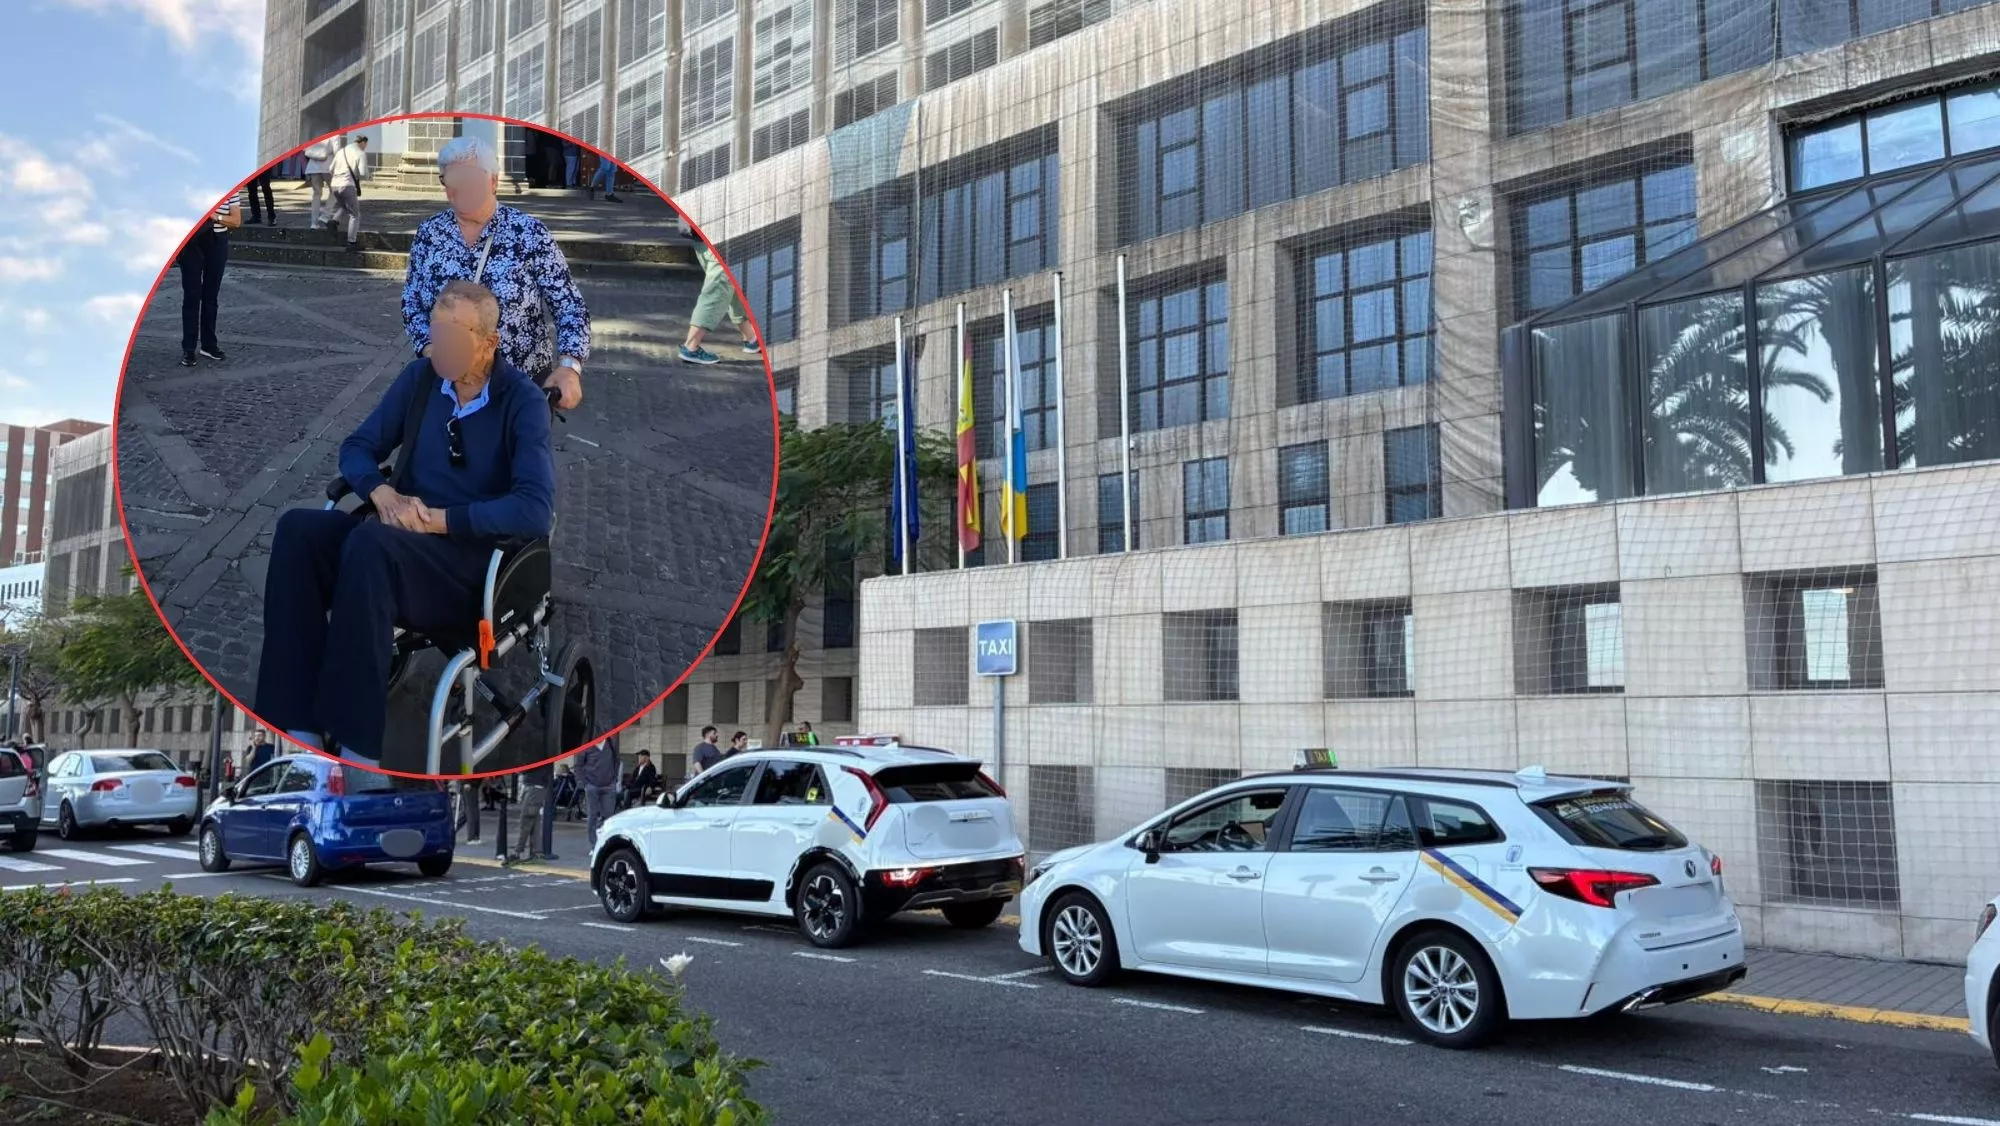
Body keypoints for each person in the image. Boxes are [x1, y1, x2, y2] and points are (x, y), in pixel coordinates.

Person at [252, 281, 556, 771]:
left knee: (371, 543)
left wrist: (439, 521)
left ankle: (357, 751)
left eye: (456, 336)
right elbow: (357, 446)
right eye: (437, 334)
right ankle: (296, 723)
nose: (442, 347)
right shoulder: (420, 380)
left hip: (467, 561)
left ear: (489, 342)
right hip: (392, 537)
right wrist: (380, 490)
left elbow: (534, 510)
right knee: (297, 531)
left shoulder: (522, 403)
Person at [402, 136, 590, 411]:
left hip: (517, 386)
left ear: (493, 181)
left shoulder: (529, 233)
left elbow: (570, 306)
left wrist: (570, 367)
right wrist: (429, 348)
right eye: (450, 180)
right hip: (447, 384)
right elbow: (411, 302)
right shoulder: (430, 233)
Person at [676, 215, 759, 366]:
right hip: (716, 240)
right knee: (716, 292)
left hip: (703, 241)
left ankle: (752, 338)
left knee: (729, 288)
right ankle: (691, 347)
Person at [177, 184, 244, 368]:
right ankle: (189, 348)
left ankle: (209, 344)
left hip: (217, 241)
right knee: (191, 295)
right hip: (193, 242)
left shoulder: (232, 188)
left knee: (211, 295)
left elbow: (236, 220)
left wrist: (214, 217)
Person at [326, 133, 369, 253]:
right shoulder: (360, 153)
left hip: (335, 184)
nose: (365, 147)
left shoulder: (341, 151)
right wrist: (367, 177)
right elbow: (362, 173)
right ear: (363, 143)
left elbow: (330, 169)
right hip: (347, 185)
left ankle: (333, 221)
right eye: (365, 145)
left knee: (346, 207)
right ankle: (351, 241)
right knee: (355, 214)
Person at [576, 734, 620, 849]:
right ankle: (594, 845)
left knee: (609, 817)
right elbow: (578, 766)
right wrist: (586, 784)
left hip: (608, 786)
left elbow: (616, 761)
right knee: (593, 815)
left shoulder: (611, 743)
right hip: (592, 786)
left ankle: (607, 844)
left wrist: (614, 779)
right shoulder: (586, 746)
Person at [509, 759, 553, 864]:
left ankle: (517, 852)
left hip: (535, 788)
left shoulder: (536, 753)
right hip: (536, 787)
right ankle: (537, 853)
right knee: (534, 821)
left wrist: (518, 768)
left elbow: (527, 766)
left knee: (526, 819)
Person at [303, 136, 336, 229]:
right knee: (335, 191)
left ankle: (314, 223)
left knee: (316, 194)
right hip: (328, 167)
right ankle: (325, 215)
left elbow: (305, 148)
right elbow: (337, 151)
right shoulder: (334, 134)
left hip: (313, 166)